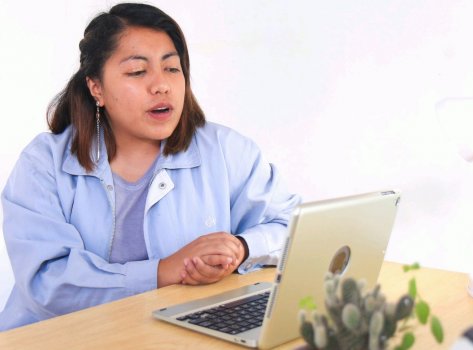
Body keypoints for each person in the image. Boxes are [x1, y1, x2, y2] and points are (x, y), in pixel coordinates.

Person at [0, 3, 299, 331]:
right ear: (96, 87)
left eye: (172, 69)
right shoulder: (43, 163)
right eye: (137, 72)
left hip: (176, 335)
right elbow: (49, 281)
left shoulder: (226, 150)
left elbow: (293, 228)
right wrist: (163, 271)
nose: (161, 85)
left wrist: (241, 249)